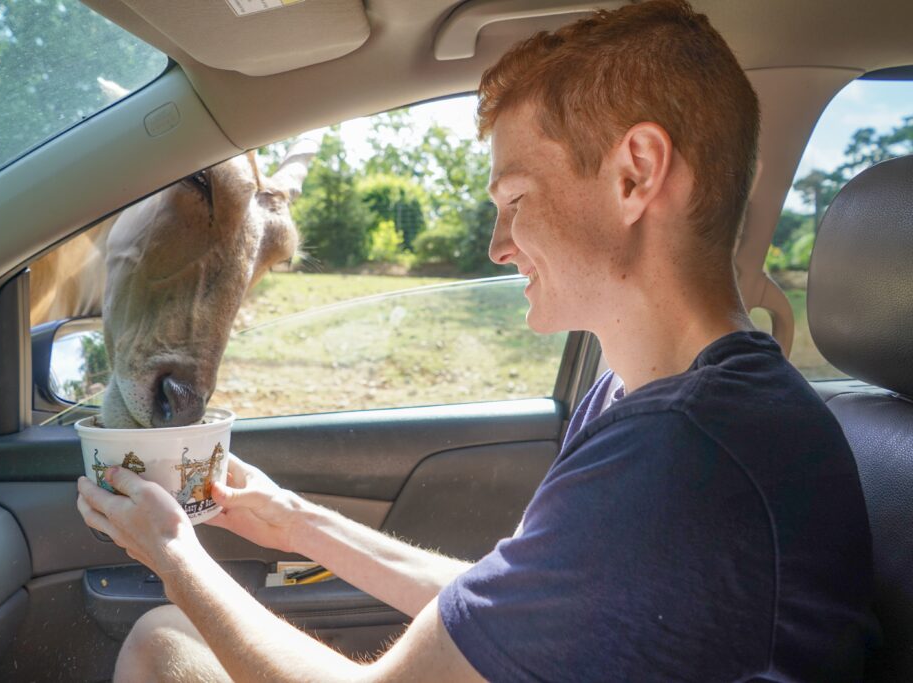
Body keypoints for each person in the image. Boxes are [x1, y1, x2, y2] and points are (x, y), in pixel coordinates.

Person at [76, 1, 876, 680]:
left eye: (515, 197)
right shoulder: (659, 398)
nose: (497, 244)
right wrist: (287, 520)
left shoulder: (688, 456)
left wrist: (175, 554)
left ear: (635, 173)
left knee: (160, 641)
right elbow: (504, 608)